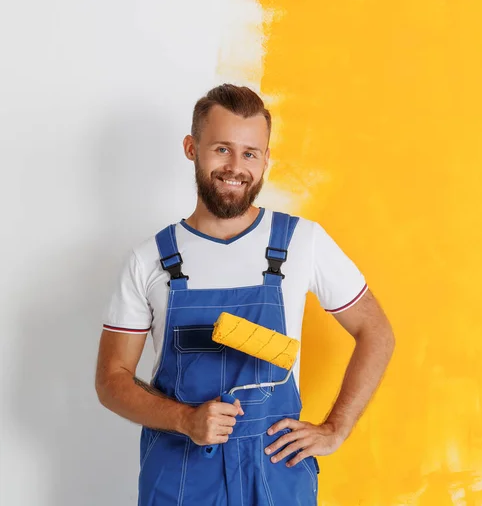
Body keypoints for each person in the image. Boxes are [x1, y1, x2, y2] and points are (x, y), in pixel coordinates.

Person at [95, 84, 395, 506]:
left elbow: (376, 331)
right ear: (191, 147)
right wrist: (184, 419)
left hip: (275, 469)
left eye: (250, 153)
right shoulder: (150, 260)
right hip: (180, 473)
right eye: (221, 148)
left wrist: (336, 427)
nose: (236, 166)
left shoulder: (300, 243)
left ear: (266, 159)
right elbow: (111, 381)